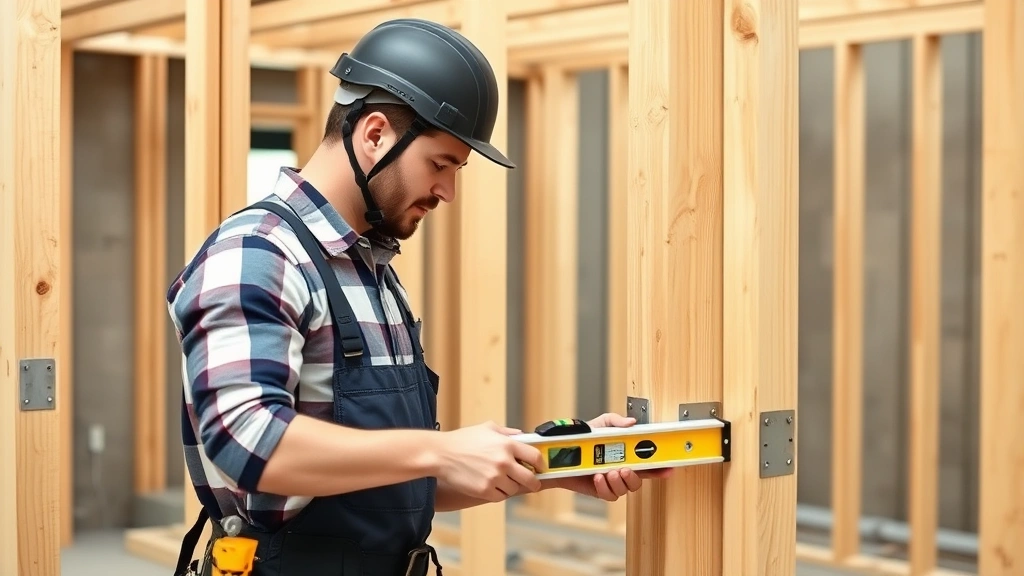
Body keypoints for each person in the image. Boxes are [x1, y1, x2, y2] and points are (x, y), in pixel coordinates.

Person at [167, 17, 670, 576]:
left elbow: (391, 481)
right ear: (375, 134)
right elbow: (245, 439)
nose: (448, 191)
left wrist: (553, 463)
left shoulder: (371, 271)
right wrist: (442, 449)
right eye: (440, 164)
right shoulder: (258, 254)